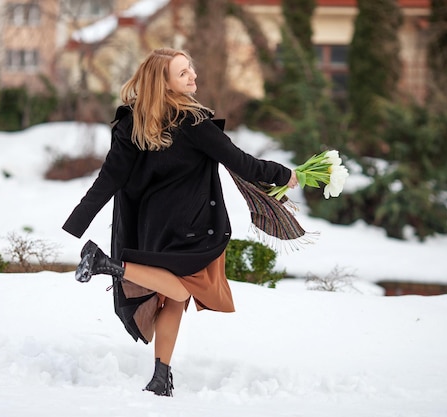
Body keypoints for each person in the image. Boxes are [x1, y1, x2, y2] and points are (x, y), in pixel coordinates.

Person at [62, 48, 298, 397]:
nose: (193, 77)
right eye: (183, 73)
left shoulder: (134, 121)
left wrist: (78, 220)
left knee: (174, 301)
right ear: (165, 82)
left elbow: (108, 180)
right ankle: (109, 265)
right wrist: (285, 174)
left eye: (191, 69)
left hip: (152, 227)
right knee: (181, 289)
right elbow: (242, 163)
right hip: (191, 226)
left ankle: (161, 377)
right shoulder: (192, 122)